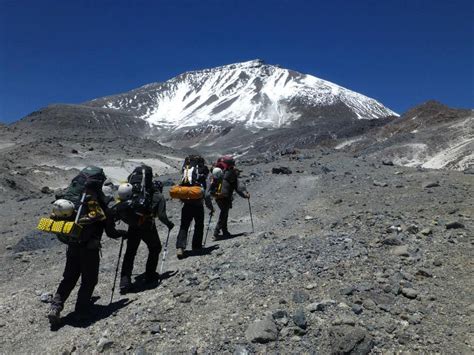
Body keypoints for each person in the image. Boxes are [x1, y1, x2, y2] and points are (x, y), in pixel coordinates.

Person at [48, 166, 126, 326]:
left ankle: (55, 306)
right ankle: (81, 312)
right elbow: (111, 233)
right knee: (89, 280)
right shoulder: (100, 207)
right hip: (90, 249)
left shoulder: (73, 202)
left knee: (69, 278)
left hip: (72, 245)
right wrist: (122, 234)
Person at [114, 175, 174, 294]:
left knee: (130, 253)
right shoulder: (157, 196)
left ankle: (124, 281)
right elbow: (161, 216)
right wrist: (169, 224)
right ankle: (150, 275)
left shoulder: (135, 194)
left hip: (133, 227)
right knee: (155, 247)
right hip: (147, 226)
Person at [175, 156, 213, 259]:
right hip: (198, 204)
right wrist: (210, 207)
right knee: (199, 225)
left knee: (184, 225)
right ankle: (196, 246)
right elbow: (207, 194)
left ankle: (180, 247)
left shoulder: (186, 172)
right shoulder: (202, 176)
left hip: (186, 203)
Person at [210, 157, 250, 239]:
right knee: (224, 214)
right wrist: (245, 196)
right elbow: (237, 188)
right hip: (225, 196)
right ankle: (216, 232)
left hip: (217, 196)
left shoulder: (220, 172)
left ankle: (225, 232)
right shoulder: (231, 173)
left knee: (224, 213)